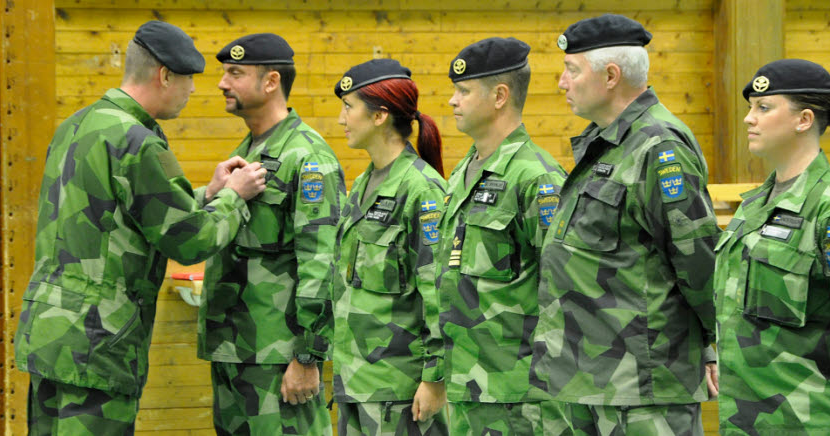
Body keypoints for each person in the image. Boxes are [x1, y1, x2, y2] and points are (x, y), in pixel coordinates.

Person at [14, 20, 266, 435]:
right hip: (98, 339)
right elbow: (190, 241)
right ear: (165, 75)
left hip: (49, 330)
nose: (192, 91)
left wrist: (205, 194)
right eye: (188, 80)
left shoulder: (78, 124)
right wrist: (235, 197)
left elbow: (115, 212)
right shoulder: (137, 141)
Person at [529, 14, 721, 436]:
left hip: (641, 389)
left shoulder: (659, 146)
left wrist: (710, 343)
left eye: (571, 70)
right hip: (589, 382)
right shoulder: (607, 144)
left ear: (611, 76)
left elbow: (699, 262)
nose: (561, 82)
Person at [713, 59, 830, 435]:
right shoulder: (754, 204)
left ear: (803, 120)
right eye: (750, 107)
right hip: (747, 417)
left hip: (814, 419)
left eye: (764, 108)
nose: (749, 119)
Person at [199, 33, 345, 435]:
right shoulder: (251, 149)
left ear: (270, 82)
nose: (222, 83)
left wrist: (308, 356)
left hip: (278, 358)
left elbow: (323, 261)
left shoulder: (306, 156)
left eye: (235, 73)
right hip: (235, 348)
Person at [436, 37, 567, 435]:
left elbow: (562, 288)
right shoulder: (463, 172)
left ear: (499, 96)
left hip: (517, 395)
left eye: (463, 91)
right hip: (465, 385)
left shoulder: (537, 178)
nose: (452, 101)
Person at [330, 58, 448, 436]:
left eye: (349, 107)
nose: (340, 119)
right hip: (357, 382)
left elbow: (439, 293)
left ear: (380, 116)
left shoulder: (420, 189)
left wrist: (434, 379)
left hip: (400, 390)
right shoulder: (365, 182)